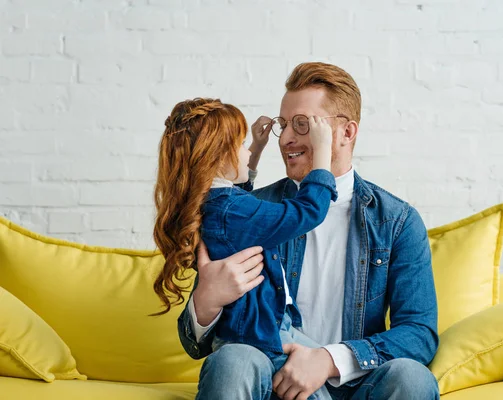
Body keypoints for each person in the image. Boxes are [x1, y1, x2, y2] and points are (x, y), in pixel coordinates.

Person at [179, 62, 440, 400]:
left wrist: (328, 360)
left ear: (347, 133)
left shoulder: (397, 221)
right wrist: (206, 300)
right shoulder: (250, 210)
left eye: (303, 125)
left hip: (358, 385)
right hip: (273, 379)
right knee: (233, 359)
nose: (286, 138)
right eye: (283, 125)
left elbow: (419, 333)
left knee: (412, 377)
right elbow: (193, 344)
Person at [152, 97, 340, 399]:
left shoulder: (215, 206)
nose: (244, 150)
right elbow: (307, 212)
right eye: (239, 145)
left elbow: (239, 199)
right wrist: (322, 155)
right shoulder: (232, 211)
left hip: (249, 335)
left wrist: (255, 151)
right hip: (257, 339)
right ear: (219, 157)